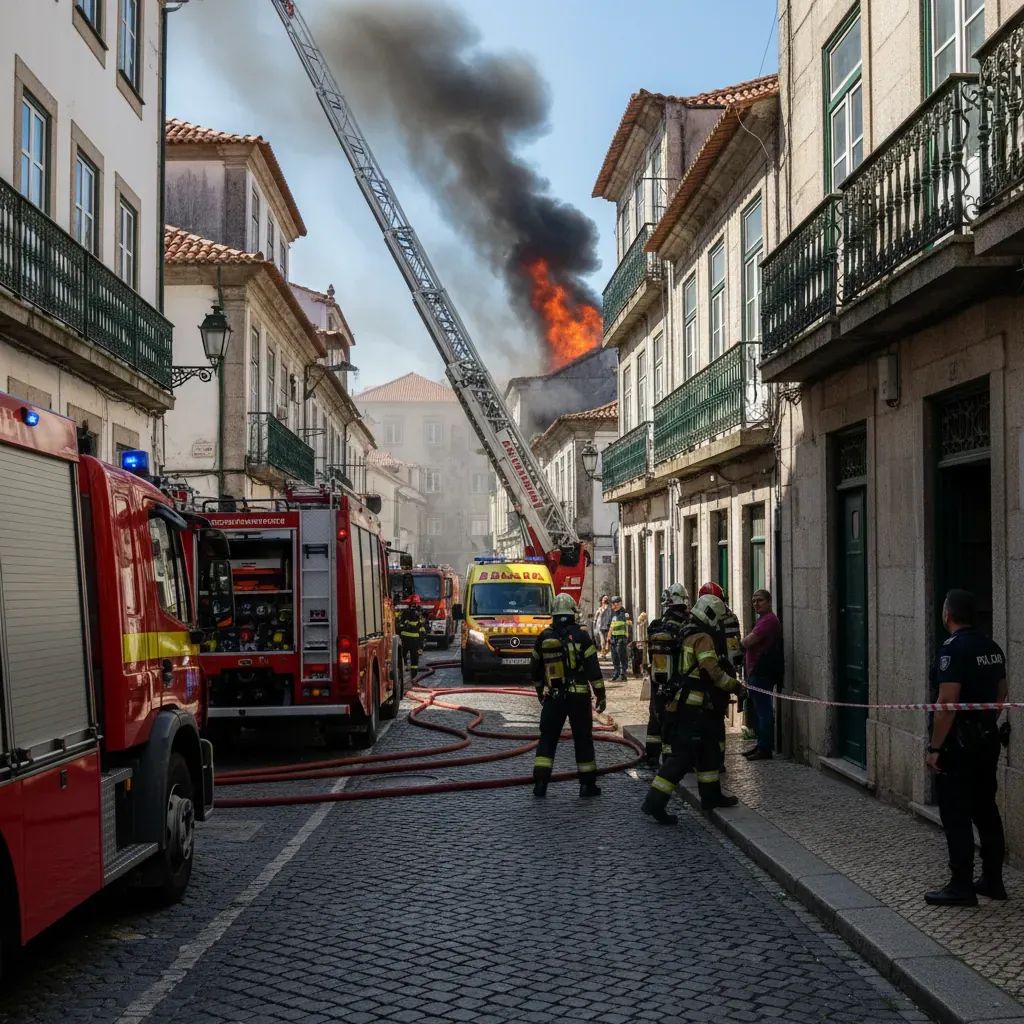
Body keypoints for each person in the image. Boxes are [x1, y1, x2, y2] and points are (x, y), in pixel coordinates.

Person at [924, 589, 1008, 906]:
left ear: (947, 615)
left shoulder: (952, 649)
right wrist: (984, 726)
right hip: (987, 741)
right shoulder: (992, 647)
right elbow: (1001, 695)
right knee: (986, 809)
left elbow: (947, 703)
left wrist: (935, 748)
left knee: (956, 813)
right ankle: (993, 880)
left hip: (958, 746)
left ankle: (961, 885)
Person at [641, 593, 744, 824]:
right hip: (693, 708)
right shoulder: (702, 637)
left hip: (696, 707)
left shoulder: (686, 630)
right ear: (710, 615)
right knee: (682, 757)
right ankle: (654, 803)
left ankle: (711, 796)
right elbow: (712, 672)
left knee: (709, 752)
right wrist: (736, 687)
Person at [530, 593, 606, 798]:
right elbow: (593, 670)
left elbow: (535, 669)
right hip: (578, 697)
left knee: (547, 738)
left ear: (553, 614)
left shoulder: (544, 637)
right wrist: (601, 695)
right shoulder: (582, 637)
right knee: (583, 739)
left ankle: (540, 785)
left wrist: (540, 692)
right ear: (573, 613)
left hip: (553, 697)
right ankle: (587, 786)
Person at [698, 581, 743, 772]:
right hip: (726, 674)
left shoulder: (703, 620)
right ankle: (719, 760)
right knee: (717, 720)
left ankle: (706, 759)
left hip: (707, 675)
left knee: (705, 720)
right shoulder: (731, 617)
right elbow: (736, 648)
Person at [643, 584, 689, 765]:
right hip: (678, 679)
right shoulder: (687, 624)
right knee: (674, 719)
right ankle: (671, 758)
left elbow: (650, 654)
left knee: (655, 715)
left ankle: (652, 756)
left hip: (657, 678)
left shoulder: (656, 626)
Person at [741, 589, 784, 760]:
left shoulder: (769, 621)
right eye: (753, 601)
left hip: (762, 671)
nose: (756, 604)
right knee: (759, 711)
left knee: (763, 711)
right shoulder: (762, 620)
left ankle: (765, 748)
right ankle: (760, 745)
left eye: (759, 600)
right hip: (756, 671)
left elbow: (747, 642)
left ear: (769, 601)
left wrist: (742, 641)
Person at [397, 594, 427, 678]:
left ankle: (403, 671)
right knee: (414, 659)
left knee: (402, 656)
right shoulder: (420, 614)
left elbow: (400, 626)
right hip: (415, 641)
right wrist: (421, 644)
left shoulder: (405, 613)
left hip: (405, 640)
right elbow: (422, 630)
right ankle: (413, 676)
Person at [608, 596, 631, 681]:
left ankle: (623, 674)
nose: (613, 604)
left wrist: (627, 624)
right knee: (614, 657)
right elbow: (611, 625)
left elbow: (629, 623)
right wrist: (609, 637)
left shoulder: (624, 613)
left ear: (619, 603)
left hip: (621, 638)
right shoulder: (612, 613)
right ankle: (616, 673)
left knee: (622, 657)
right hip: (613, 638)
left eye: (615, 603)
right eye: (613, 603)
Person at [631, 610, 648, 679]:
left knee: (640, 659)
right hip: (641, 643)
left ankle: (639, 672)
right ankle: (640, 671)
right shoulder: (642, 624)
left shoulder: (638, 624)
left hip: (640, 643)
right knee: (641, 659)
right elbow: (642, 635)